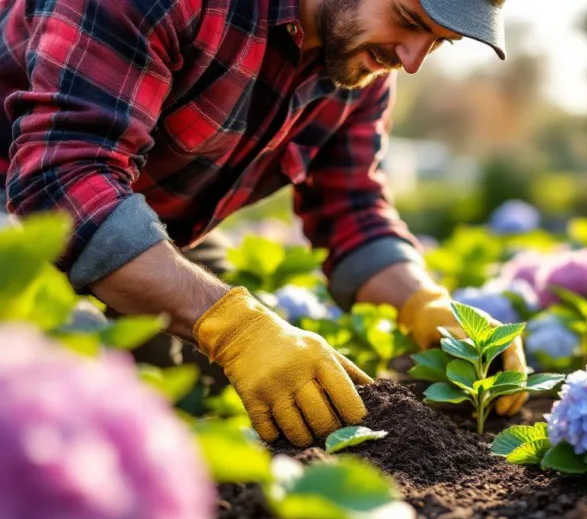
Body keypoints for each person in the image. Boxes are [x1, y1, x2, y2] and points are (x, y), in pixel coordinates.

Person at [0, 0, 527, 448]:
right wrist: (232, 327)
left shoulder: (359, 61)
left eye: (439, 42)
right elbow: (61, 182)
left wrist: (423, 303)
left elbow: (351, 208)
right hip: (20, 217)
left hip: (136, 227)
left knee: (229, 393)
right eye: (409, 19)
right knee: (59, 411)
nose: (411, 61)